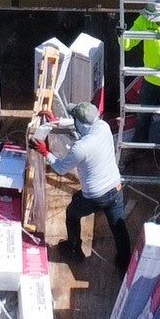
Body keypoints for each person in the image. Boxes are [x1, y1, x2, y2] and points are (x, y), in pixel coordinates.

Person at [54, 103, 130, 274]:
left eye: (75, 120)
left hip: (95, 196)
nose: (74, 122)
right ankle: (125, 264)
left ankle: (74, 250)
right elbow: (79, 125)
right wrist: (56, 123)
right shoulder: (103, 127)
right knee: (118, 227)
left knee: (72, 214)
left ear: (81, 124)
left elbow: (60, 168)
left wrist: (45, 152)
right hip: (116, 188)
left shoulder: (81, 148)